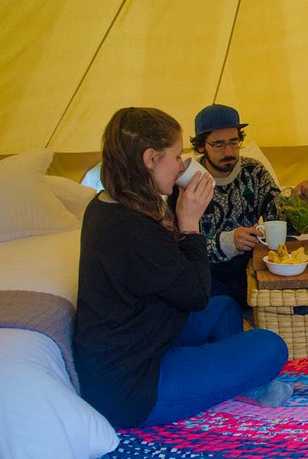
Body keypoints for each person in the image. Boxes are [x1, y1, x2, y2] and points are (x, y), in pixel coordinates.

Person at [73, 107, 292, 428]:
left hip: (148, 333)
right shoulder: (129, 228)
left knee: (224, 308)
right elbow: (195, 294)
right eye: (176, 157)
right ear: (150, 158)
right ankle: (236, 381)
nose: (181, 166)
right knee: (271, 346)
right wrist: (189, 223)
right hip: (134, 383)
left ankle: (233, 382)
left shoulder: (113, 203)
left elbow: (174, 277)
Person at [175, 103, 308, 307]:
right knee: (212, 297)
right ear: (200, 146)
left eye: (234, 142)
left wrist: (297, 203)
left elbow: (278, 223)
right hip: (209, 270)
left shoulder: (253, 172)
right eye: (219, 144)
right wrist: (228, 242)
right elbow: (178, 247)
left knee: (291, 245)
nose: (229, 151)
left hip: (249, 263)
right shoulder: (186, 181)